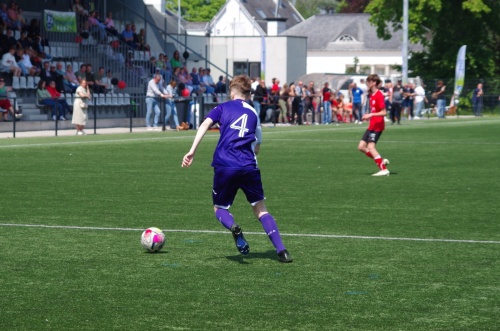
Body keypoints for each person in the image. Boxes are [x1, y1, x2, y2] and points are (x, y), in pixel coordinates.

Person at [181, 74, 292, 263]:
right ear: (248, 95)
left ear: (232, 92)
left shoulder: (222, 108)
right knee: (260, 209)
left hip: (225, 165)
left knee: (219, 208)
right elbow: (257, 147)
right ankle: (282, 251)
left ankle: (233, 226)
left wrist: (192, 151)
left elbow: (205, 124)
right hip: (248, 166)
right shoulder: (253, 113)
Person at [357, 74, 390, 177]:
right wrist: (368, 116)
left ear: (374, 82)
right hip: (372, 125)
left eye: (369, 81)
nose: (367, 83)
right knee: (361, 147)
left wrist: (371, 114)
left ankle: (383, 169)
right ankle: (380, 160)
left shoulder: (379, 95)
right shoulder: (371, 95)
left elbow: (384, 112)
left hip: (378, 126)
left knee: (371, 146)